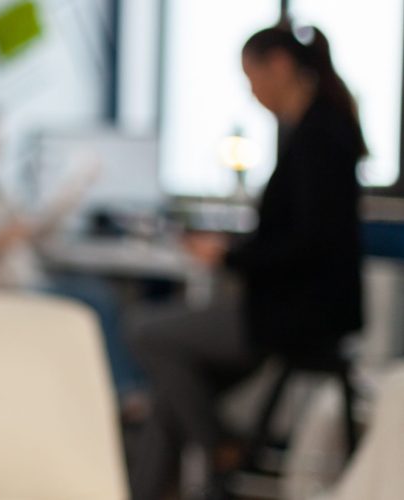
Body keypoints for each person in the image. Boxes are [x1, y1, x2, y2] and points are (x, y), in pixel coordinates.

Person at [128, 22, 366, 500]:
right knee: (171, 397)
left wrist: (230, 255)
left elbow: (306, 243)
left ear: (279, 66)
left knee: (143, 330)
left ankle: (220, 445)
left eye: (251, 78)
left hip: (295, 313)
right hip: (295, 305)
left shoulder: (320, 138)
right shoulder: (313, 131)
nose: (252, 92)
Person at [0, 107, 144, 410]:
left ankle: (116, 392)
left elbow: (30, 229)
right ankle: (122, 394)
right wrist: (6, 236)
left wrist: (73, 191)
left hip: (22, 280)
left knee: (101, 293)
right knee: (97, 299)